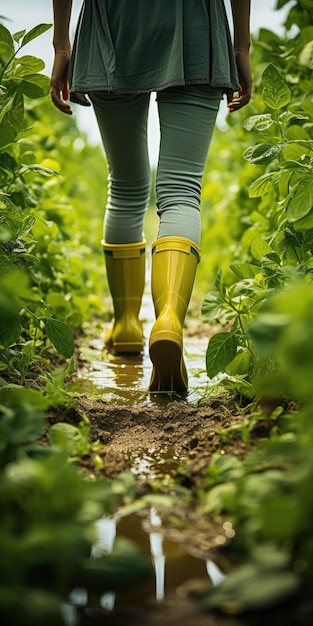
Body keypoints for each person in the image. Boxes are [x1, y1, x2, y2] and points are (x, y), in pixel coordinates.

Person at [51, 0, 252, 394]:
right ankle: (169, 321)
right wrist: (240, 46)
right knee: (181, 189)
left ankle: (126, 324)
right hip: (196, 21)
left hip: (113, 20)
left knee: (125, 187)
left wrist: (62, 43)